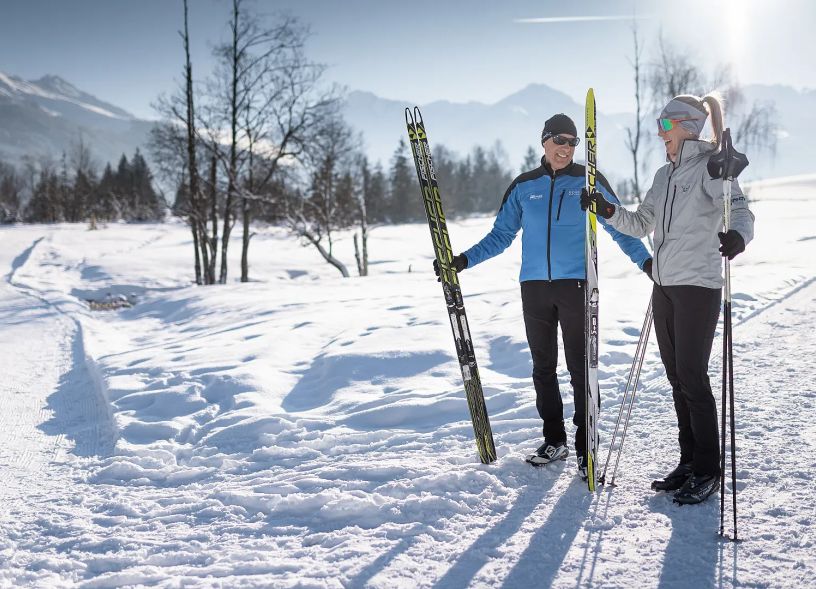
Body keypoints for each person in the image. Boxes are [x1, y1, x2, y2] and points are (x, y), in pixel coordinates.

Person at [434, 113, 651, 479]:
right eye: (560, 141)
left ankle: (587, 446)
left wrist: (646, 262)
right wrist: (463, 261)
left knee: (582, 368)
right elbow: (501, 235)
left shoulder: (588, 181)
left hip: (576, 285)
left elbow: (620, 229)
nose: (566, 148)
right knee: (542, 368)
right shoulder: (524, 186)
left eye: (572, 142)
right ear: (545, 141)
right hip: (534, 287)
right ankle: (555, 439)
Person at [581, 93, 754, 504]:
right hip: (664, 286)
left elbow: (742, 214)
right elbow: (642, 224)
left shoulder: (713, 167)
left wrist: (737, 238)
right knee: (677, 377)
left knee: (693, 377)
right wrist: (607, 210)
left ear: (687, 126)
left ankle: (709, 470)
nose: (661, 135)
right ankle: (689, 461)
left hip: (699, 285)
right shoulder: (664, 175)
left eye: (665, 127)